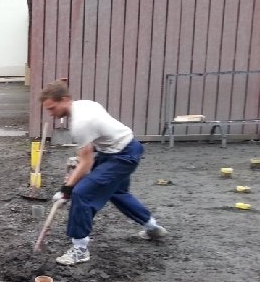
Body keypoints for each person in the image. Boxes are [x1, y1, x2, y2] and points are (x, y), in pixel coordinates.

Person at [40, 79, 167, 266]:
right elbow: (94, 143)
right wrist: (82, 160)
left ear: (65, 99)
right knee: (117, 192)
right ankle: (152, 227)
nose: (51, 114)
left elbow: (86, 162)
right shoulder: (86, 104)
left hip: (122, 157)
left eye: (52, 108)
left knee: (81, 193)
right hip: (122, 148)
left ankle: (80, 250)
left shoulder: (81, 123)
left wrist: (66, 190)